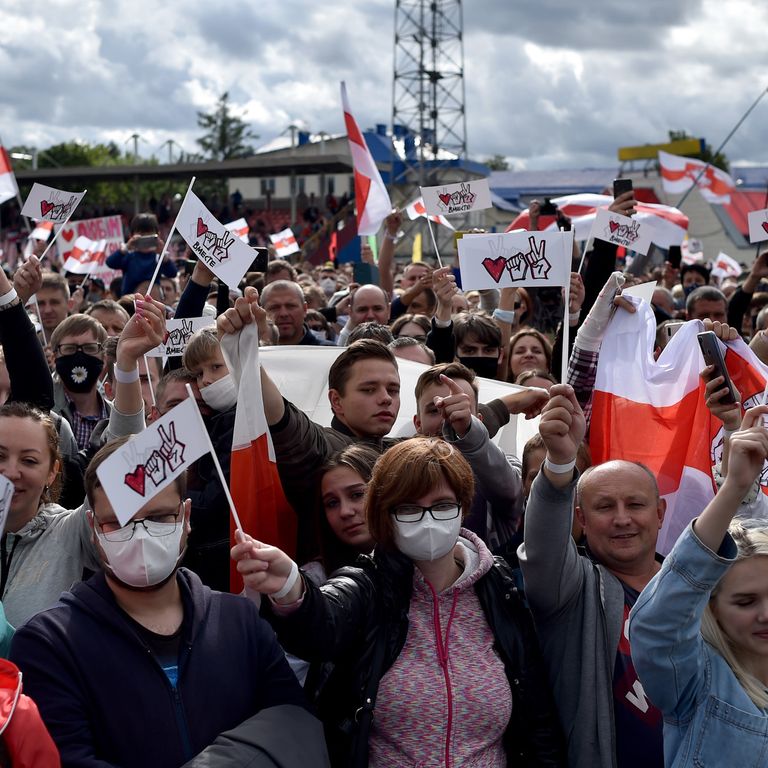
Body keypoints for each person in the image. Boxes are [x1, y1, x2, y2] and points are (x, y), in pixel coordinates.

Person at [232, 437, 564, 767]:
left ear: (463, 508)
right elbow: (323, 623)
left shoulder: (499, 589)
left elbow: (538, 721)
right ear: (385, 515)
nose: (428, 520)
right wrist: (290, 587)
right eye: (408, 509)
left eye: (443, 505)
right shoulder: (370, 585)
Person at [9, 438, 308, 768]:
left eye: (160, 517)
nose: (141, 536)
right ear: (93, 528)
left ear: (186, 516)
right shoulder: (49, 643)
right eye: (119, 522)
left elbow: (292, 726)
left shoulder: (239, 621)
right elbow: (65, 759)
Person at [519, 384, 665, 768]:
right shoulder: (570, 590)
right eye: (604, 507)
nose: (622, 518)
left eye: (635, 504)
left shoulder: (692, 587)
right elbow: (543, 547)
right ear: (580, 518)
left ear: (661, 513)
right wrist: (560, 463)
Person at [0, 297, 164, 627]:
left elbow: (123, 468)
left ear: (52, 472)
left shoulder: (71, 533)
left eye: (30, 460)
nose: (11, 471)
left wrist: (128, 365)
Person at [630, 405, 768, 767]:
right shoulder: (696, 681)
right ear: (713, 609)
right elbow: (657, 626)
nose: (765, 614)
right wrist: (734, 488)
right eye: (745, 601)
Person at [106, 213, 177, 296]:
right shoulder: (129, 256)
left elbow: (172, 273)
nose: (145, 238)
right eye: (141, 234)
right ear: (131, 236)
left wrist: (163, 254)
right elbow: (110, 263)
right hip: (130, 302)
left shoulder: (158, 257)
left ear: (158, 235)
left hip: (152, 300)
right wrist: (126, 248)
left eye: (149, 234)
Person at [261, 280, 336, 346]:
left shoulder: (329, 353)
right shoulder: (251, 354)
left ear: (304, 309)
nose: (283, 314)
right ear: (262, 312)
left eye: (290, 306)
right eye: (275, 307)